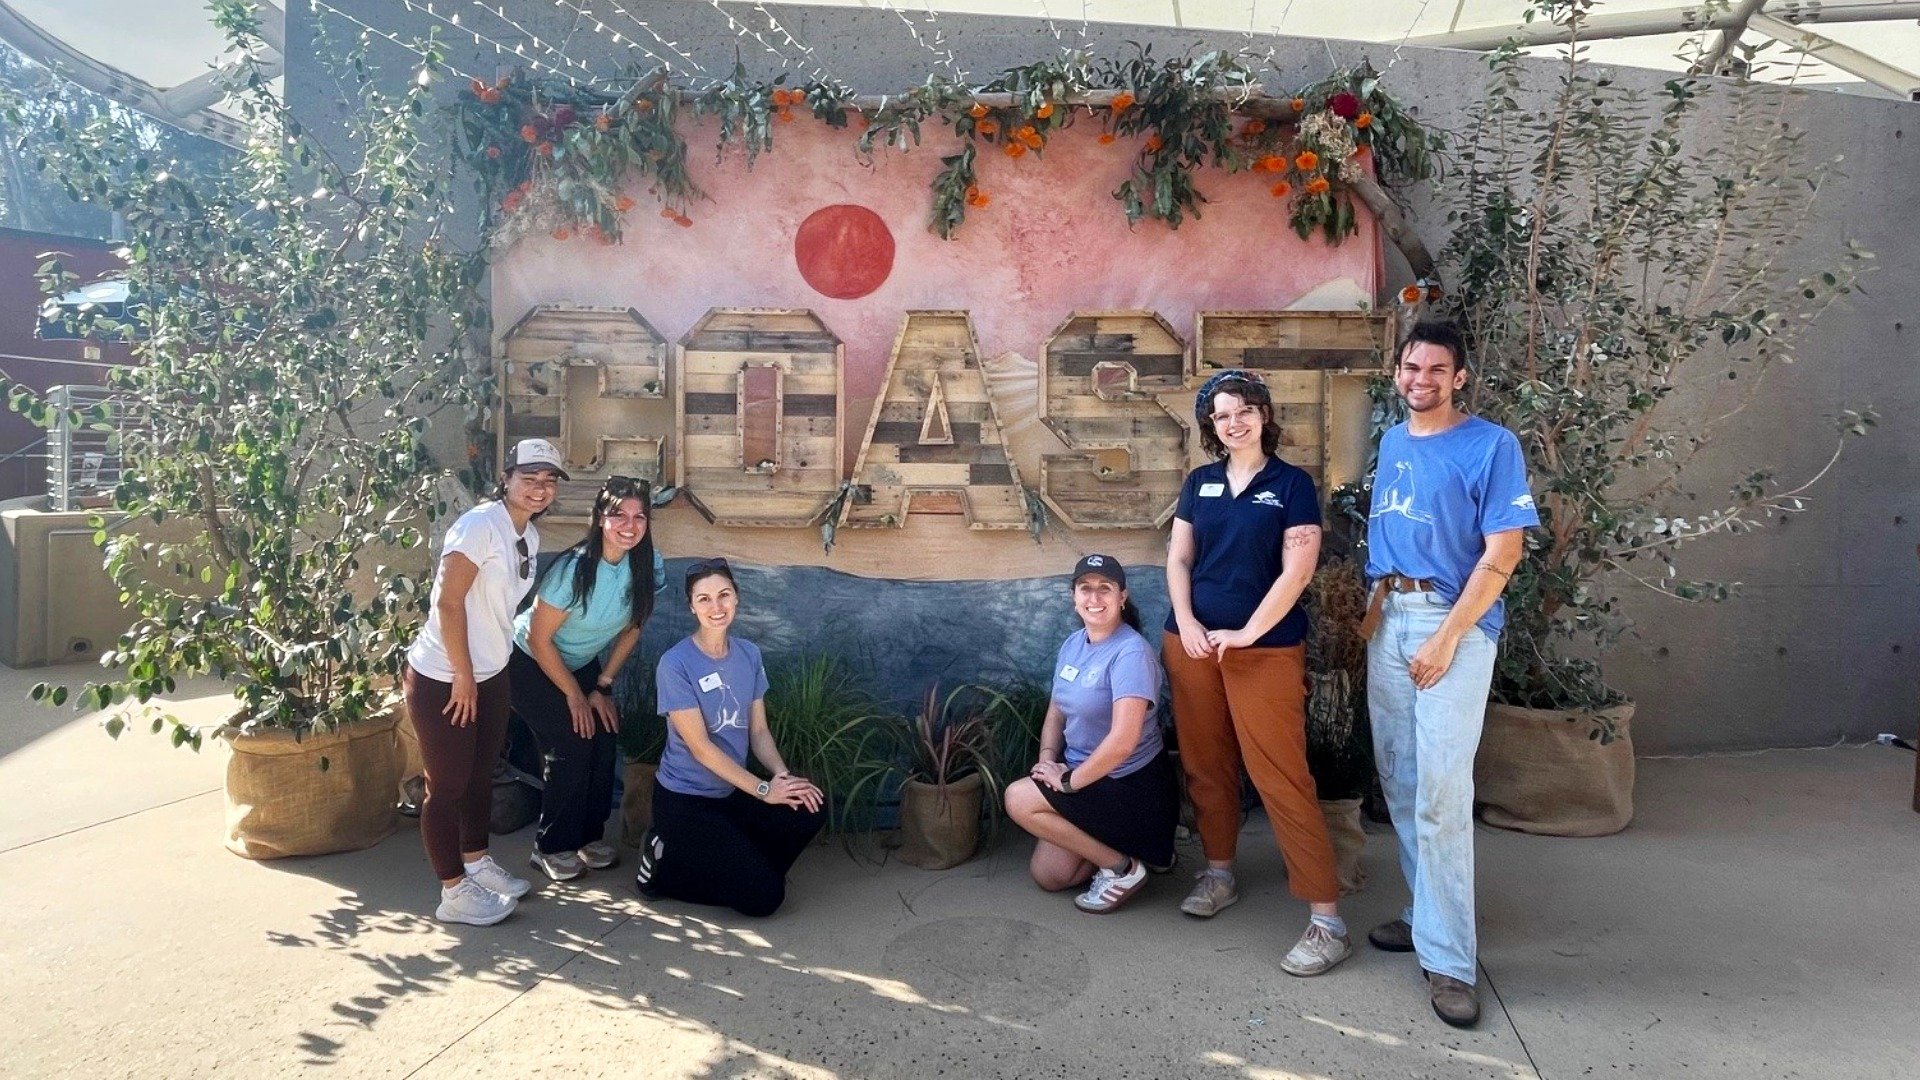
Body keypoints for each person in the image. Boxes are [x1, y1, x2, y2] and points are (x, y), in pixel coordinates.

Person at [1362, 320, 1538, 1028]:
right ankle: (1425, 915)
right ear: (1397, 371)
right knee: (1403, 783)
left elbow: (1504, 552)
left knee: (1441, 793)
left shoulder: (1492, 446)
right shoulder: (1392, 441)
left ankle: (1452, 964)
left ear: (1459, 376)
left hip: (1450, 624)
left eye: (1437, 369)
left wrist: (1447, 637)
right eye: (1412, 367)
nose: (1421, 380)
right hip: (1388, 618)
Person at [1164, 369, 1351, 977]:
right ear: (1210, 427)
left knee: (1281, 776)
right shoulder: (1199, 483)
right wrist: (1187, 622)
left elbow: (1298, 571)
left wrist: (1247, 633)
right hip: (1192, 645)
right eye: (1221, 415)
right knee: (1206, 767)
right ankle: (1219, 873)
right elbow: (1179, 559)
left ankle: (1327, 921)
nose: (1233, 422)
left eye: (1243, 410)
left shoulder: (1291, 485)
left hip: (1264, 650)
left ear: (1264, 415)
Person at [405, 438, 566, 926]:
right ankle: (453, 892)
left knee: (481, 775)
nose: (539, 489)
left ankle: (476, 864)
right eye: (529, 478)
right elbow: (448, 602)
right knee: (447, 785)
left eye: (549, 481)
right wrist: (463, 675)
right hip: (445, 676)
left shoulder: (527, 534)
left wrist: (484, 672)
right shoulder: (478, 526)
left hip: (491, 671)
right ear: (507, 478)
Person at [633, 558, 826, 917]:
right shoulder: (675, 664)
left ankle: (745, 870)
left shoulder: (749, 654)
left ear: (736, 597)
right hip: (685, 802)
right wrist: (765, 790)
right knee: (765, 898)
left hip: (731, 793)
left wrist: (783, 778)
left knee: (809, 806)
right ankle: (665, 868)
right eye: (704, 599)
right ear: (692, 607)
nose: (716, 606)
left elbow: (758, 731)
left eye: (723, 595)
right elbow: (701, 749)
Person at [1005, 555, 1179, 914]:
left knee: (1018, 798)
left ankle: (1123, 869)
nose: (1094, 598)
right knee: (1051, 875)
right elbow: (1056, 710)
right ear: (1074, 597)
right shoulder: (1074, 643)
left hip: (1127, 784)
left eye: (1105, 588)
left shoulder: (1131, 653)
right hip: (1083, 779)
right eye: (1085, 588)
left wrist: (1068, 783)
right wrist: (1046, 761)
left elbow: (1123, 742)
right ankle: (1132, 848)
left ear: (1122, 597)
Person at [510, 476, 664, 882]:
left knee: (604, 733)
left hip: (580, 663)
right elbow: (538, 639)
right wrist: (575, 696)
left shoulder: (646, 565)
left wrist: (601, 687)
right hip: (526, 660)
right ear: (599, 519)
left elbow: (633, 628)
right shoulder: (573, 569)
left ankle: (587, 836)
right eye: (619, 515)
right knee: (573, 739)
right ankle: (550, 846)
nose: (629, 525)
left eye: (639, 517)